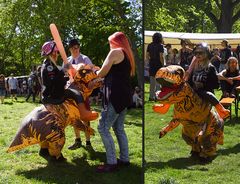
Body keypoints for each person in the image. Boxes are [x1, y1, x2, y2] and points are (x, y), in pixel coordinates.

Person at [96, 32, 135, 172]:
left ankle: (111, 162)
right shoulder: (127, 54)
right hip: (124, 96)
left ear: (116, 42)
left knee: (103, 128)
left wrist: (91, 73)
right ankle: (124, 159)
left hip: (115, 96)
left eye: (110, 42)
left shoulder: (115, 52)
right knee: (119, 129)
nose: (109, 44)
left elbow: (102, 72)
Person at [40, 41, 98, 124]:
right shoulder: (49, 66)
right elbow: (53, 81)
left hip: (52, 93)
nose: (58, 54)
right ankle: (84, 113)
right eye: (56, 52)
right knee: (77, 93)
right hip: (53, 95)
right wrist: (64, 73)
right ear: (52, 53)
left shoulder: (49, 64)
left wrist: (66, 74)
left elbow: (58, 77)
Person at [188, 43, 230, 119]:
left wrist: (202, 85)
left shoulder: (210, 68)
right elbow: (189, 81)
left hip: (205, 99)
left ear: (206, 54)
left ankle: (221, 110)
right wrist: (193, 85)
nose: (197, 55)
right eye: (196, 53)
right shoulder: (193, 68)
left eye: (200, 53)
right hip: (193, 96)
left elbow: (216, 85)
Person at [66, 39, 94, 149]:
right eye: (73, 48)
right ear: (70, 49)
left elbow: (92, 71)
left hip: (83, 93)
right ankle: (77, 140)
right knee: (74, 117)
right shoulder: (67, 60)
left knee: (85, 117)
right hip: (71, 93)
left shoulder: (85, 58)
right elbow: (64, 74)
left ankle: (88, 142)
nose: (76, 49)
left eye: (77, 47)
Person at [146, 32, 164, 101]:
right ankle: (157, 97)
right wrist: (163, 65)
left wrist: (148, 63)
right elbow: (161, 57)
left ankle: (151, 97)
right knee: (158, 82)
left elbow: (147, 55)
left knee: (152, 82)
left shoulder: (149, 45)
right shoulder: (160, 46)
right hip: (158, 64)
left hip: (151, 64)